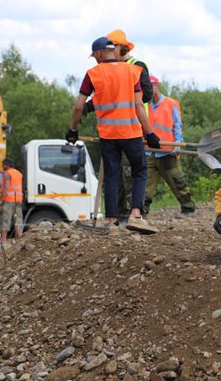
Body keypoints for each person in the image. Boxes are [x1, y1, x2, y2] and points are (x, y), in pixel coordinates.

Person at [66, 36, 161, 234]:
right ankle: (136, 215)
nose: (94, 59)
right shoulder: (131, 71)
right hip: (131, 133)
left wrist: (73, 129)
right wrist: (149, 133)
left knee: (112, 175)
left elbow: (78, 107)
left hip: (108, 135)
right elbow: (138, 105)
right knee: (140, 171)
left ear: (100, 53)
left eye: (94, 56)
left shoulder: (93, 74)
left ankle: (112, 223)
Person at [83, 29, 152, 220]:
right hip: (118, 129)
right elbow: (104, 98)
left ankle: (136, 215)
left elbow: (145, 95)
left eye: (114, 46)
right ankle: (120, 215)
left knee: (132, 175)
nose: (111, 50)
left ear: (121, 47)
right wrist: (88, 108)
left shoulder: (136, 66)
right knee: (117, 175)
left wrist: (149, 131)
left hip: (135, 126)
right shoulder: (116, 68)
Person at [143, 75, 196, 216]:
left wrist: (177, 144)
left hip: (167, 151)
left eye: (150, 87)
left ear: (156, 86)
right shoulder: (144, 105)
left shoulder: (170, 103)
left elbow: (177, 125)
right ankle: (142, 213)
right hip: (149, 151)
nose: (147, 90)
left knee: (177, 180)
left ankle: (188, 208)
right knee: (145, 184)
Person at [0, 158, 24, 246]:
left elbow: (6, 188)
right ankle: (19, 240)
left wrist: (0, 200)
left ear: (7, 165)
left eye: (3, 164)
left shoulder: (7, 173)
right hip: (18, 199)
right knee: (18, 220)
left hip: (9, 200)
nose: (2, 166)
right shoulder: (18, 173)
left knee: (6, 220)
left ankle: (4, 241)